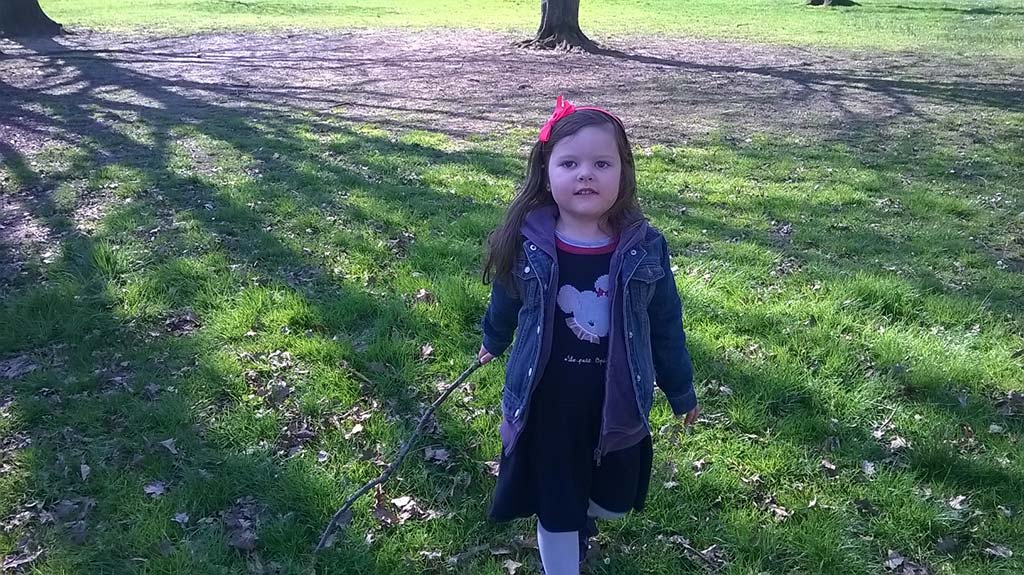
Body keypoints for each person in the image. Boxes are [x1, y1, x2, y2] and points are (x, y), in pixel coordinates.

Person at [477, 96, 700, 574]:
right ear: (546, 173)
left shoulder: (645, 248)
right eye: (570, 163)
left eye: (602, 163)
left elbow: (666, 324)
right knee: (556, 506)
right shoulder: (527, 243)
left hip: (615, 404)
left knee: (612, 502)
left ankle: (584, 517)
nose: (586, 175)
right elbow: (506, 299)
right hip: (547, 405)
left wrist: (681, 390)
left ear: (623, 173)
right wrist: (492, 340)